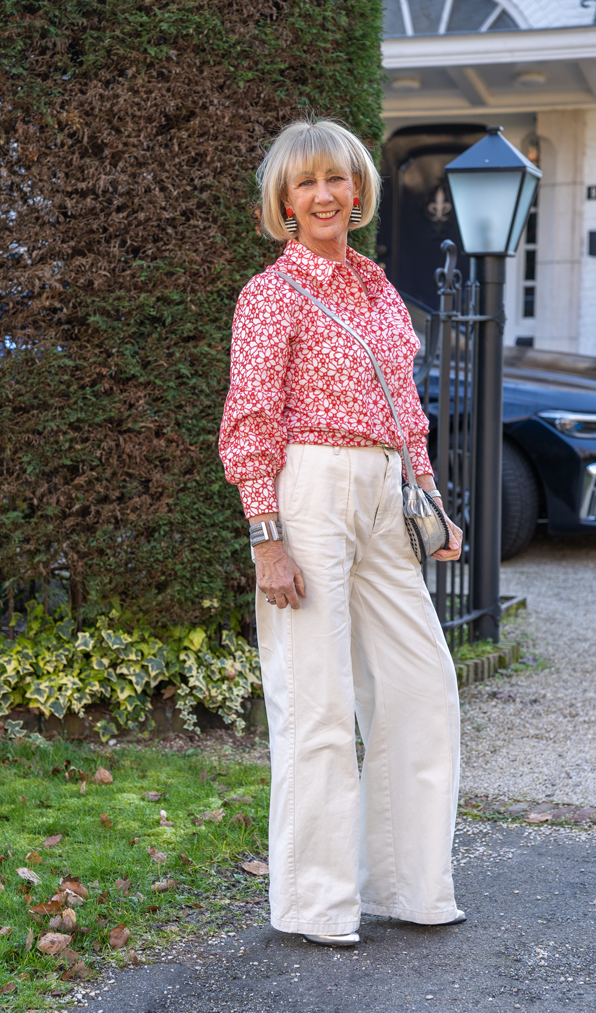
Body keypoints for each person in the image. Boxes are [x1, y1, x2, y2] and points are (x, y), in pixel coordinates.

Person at [219, 118, 464, 947]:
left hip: (386, 491)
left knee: (421, 687)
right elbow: (249, 417)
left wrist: (428, 494)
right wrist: (267, 536)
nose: (324, 195)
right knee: (317, 704)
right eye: (305, 183)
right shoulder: (269, 295)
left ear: (358, 190)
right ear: (283, 203)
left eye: (337, 179)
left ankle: (411, 884)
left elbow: (406, 403)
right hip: (309, 491)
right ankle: (315, 903)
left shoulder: (379, 288)